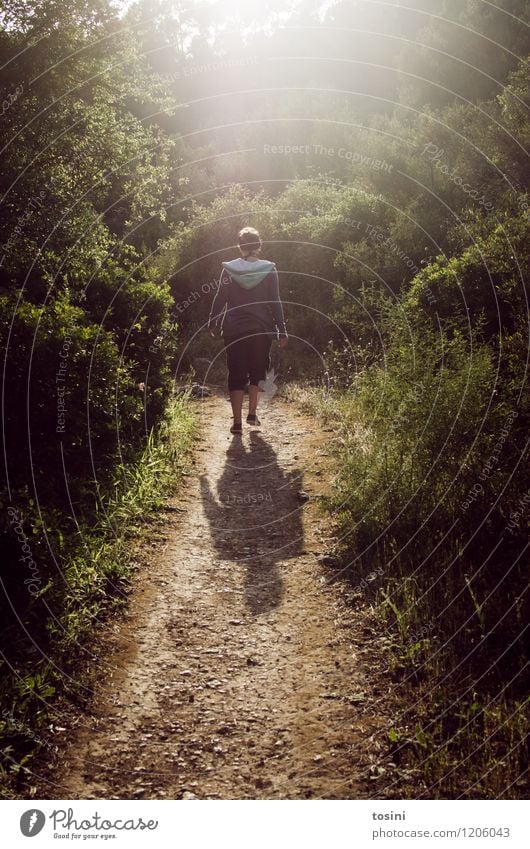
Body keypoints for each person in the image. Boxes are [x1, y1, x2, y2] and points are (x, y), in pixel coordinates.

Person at [208, 227, 288, 434]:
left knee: (235, 373)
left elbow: (220, 298)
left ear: (240, 246)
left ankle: (237, 423)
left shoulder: (229, 269)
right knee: (258, 370)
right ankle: (252, 414)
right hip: (261, 330)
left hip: (234, 329)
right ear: (258, 246)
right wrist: (282, 330)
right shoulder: (269, 269)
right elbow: (275, 301)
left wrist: (213, 322)